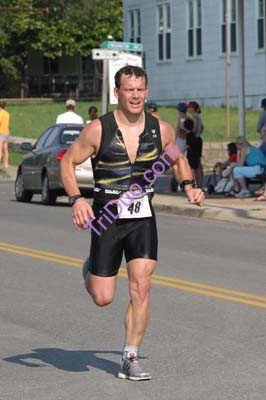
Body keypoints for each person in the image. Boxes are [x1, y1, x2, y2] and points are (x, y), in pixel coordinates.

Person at [60, 65, 204, 381]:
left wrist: (188, 185)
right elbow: (69, 162)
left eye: (140, 90)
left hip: (141, 218)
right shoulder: (99, 129)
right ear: (117, 93)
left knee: (141, 285)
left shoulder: (160, 129)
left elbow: (177, 159)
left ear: (146, 92)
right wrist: (77, 199)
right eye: (129, 90)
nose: (135, 95)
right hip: (108, 218)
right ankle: (91, 269)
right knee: (103, 297)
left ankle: (130, 356)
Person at [169, 102, 188, 192]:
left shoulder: (182, 118)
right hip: (183, 141)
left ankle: (178, 184)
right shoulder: (188, 118)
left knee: (176, 161)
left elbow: (181, 130)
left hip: (180, 141)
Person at [186, 101, 204, 188]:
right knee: (198, 163)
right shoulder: (198, 117)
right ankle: (199, 184)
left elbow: (194, 129)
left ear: (192, 108)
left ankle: (196, 184)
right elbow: (202, 127)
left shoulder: (195, 117)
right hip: (198, 139)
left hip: (194, 140)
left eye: (189, 107)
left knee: (194, 164)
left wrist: (188, 133)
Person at [0, 100, 10, 169]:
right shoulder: (7, 113)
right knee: (5, 149)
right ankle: (5, 164)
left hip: (1, 132)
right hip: (7, 132)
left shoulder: (1, 114)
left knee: (0, 149)